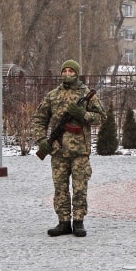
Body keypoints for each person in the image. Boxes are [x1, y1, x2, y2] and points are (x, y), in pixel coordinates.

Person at [33, 60, 106, 238]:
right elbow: (39, 118)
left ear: (77, 73)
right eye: (64, 70)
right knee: (60, 188)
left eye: (71, 70)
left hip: (80, 150)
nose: (67, 73)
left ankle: (78, 221)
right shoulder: (53, 95)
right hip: (58, 150)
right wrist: (42, 139)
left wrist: (83, 114)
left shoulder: (87, 94)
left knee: (80, 187)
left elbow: (101, 117)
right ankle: (63, 221)